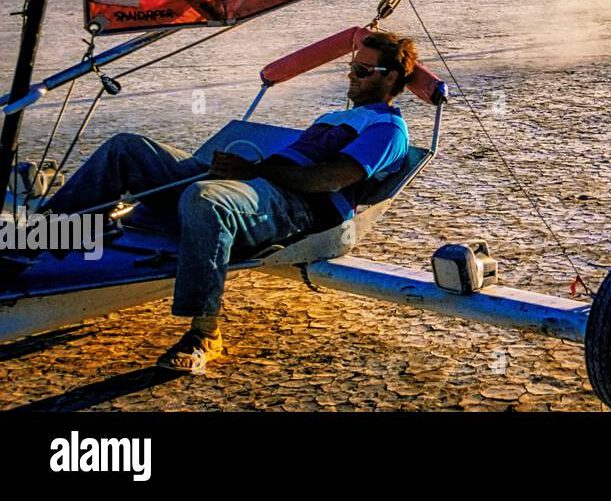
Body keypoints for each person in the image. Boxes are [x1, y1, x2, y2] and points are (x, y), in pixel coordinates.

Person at [5, 30, 417, 373]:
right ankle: (28, 249)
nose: (353, 76)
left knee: (207, 198)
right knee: (126, 149)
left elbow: (328, 179)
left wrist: (251, 171)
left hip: (293, 207)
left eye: (364, 70)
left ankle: (205, 333)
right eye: (351, 67)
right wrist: (243, 170)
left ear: (392, 77)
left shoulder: (388, 129)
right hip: (256, 187)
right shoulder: (334, 117)